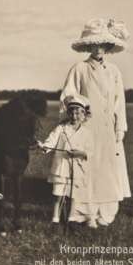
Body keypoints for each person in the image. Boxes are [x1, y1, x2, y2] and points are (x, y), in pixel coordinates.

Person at [60, 18, 131, 226]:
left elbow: (119, 102)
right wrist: (78, 114)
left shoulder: (114, 71)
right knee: (88, 168)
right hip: (88, 127)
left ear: (107, 46)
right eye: (94, 44)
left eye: (102, 44)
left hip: (108, 127)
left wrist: (120, 126)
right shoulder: (79, 69)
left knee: (108, 168)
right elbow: (68, 96)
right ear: (88, 46)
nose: (98, 48)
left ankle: (105, 213)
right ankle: (86, 213)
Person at [37, 95, 96, 228]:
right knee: (58, 194)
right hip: (61, 166)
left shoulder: (87, 132)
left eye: (77, 113)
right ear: (68, 113)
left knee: (73, 194)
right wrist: (44, 146)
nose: (74, 116)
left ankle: (71, 218)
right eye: (72, 112)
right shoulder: (61, 128)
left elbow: (91, 152)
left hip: (78, 166)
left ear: (83, 114)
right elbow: (51, 141)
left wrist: (80, 153)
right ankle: (55, 219)